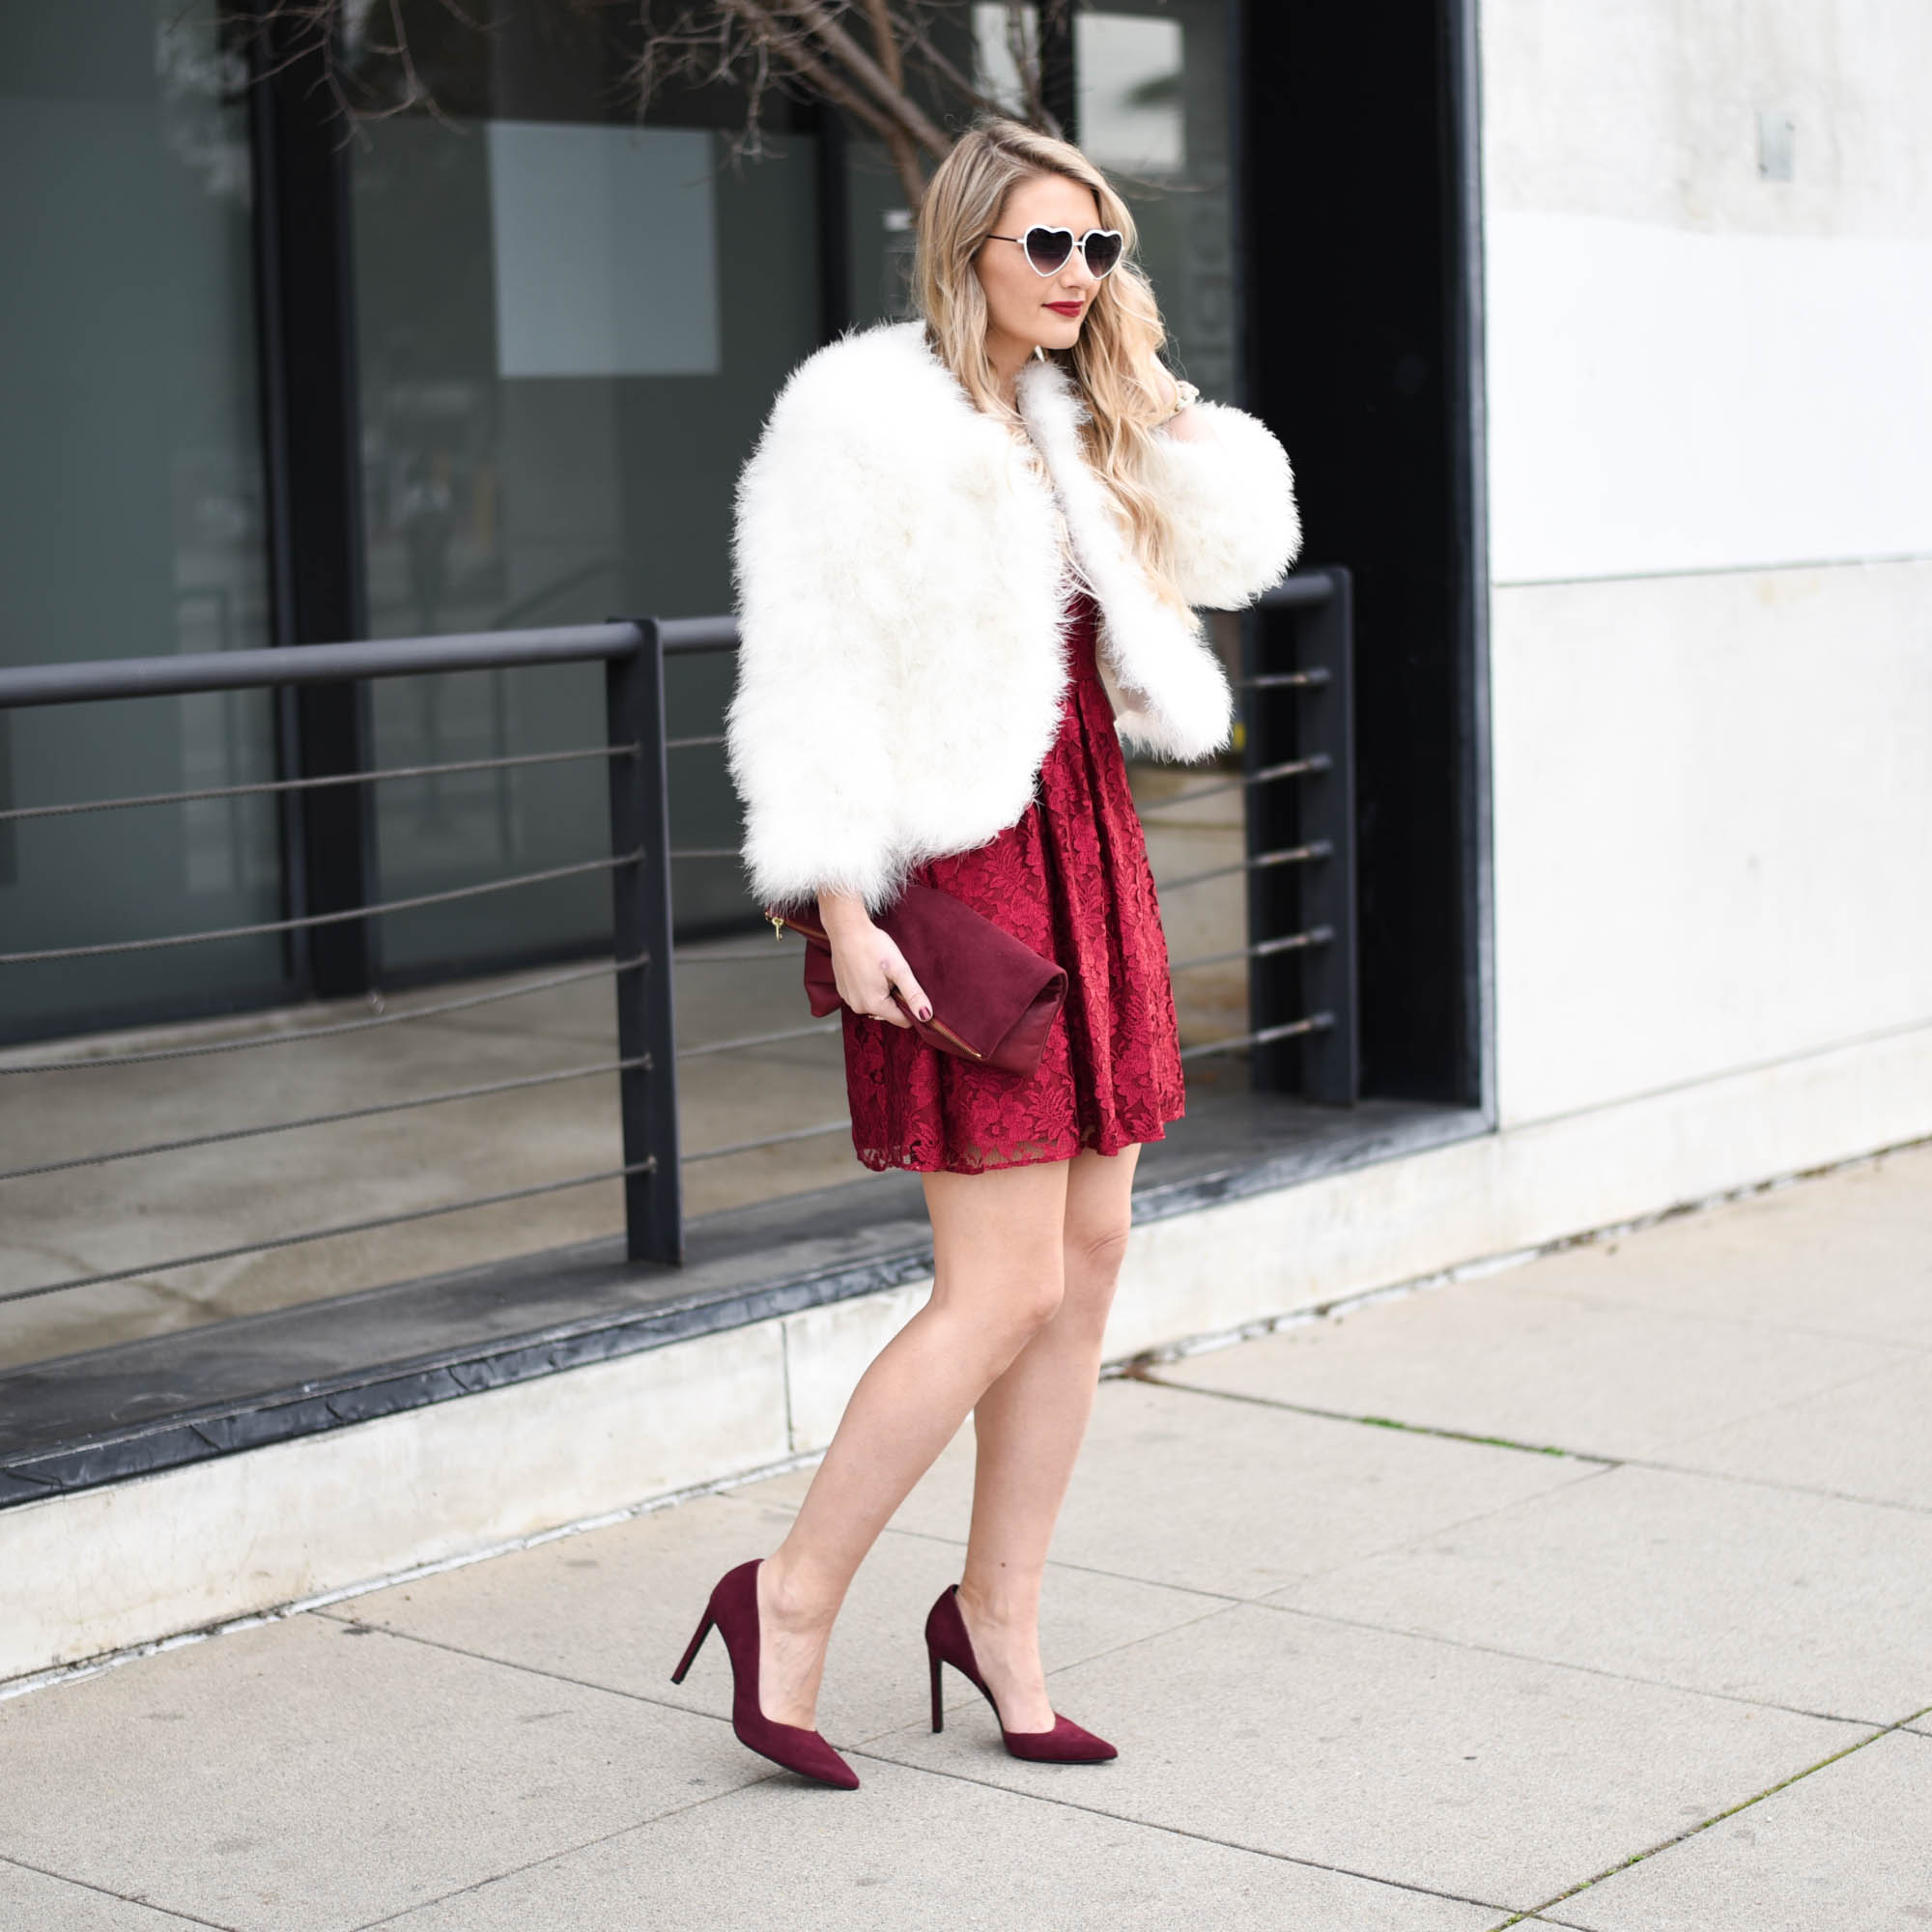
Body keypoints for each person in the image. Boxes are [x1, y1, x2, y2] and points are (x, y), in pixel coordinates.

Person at [673, 116, 1300, 1788]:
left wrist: (1153, 406)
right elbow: (800, 672)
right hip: (958, 873)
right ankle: (786, 1602)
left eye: (1103, 248)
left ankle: (1000, 1620)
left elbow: (1242, 553)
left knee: (1088, 1266)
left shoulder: (1075, 412)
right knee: (998, 1282)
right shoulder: (858, 419)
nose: (1081, 276)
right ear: (965, 246)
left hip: (1091, 846)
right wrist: (837, 902)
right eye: (1051, 246)